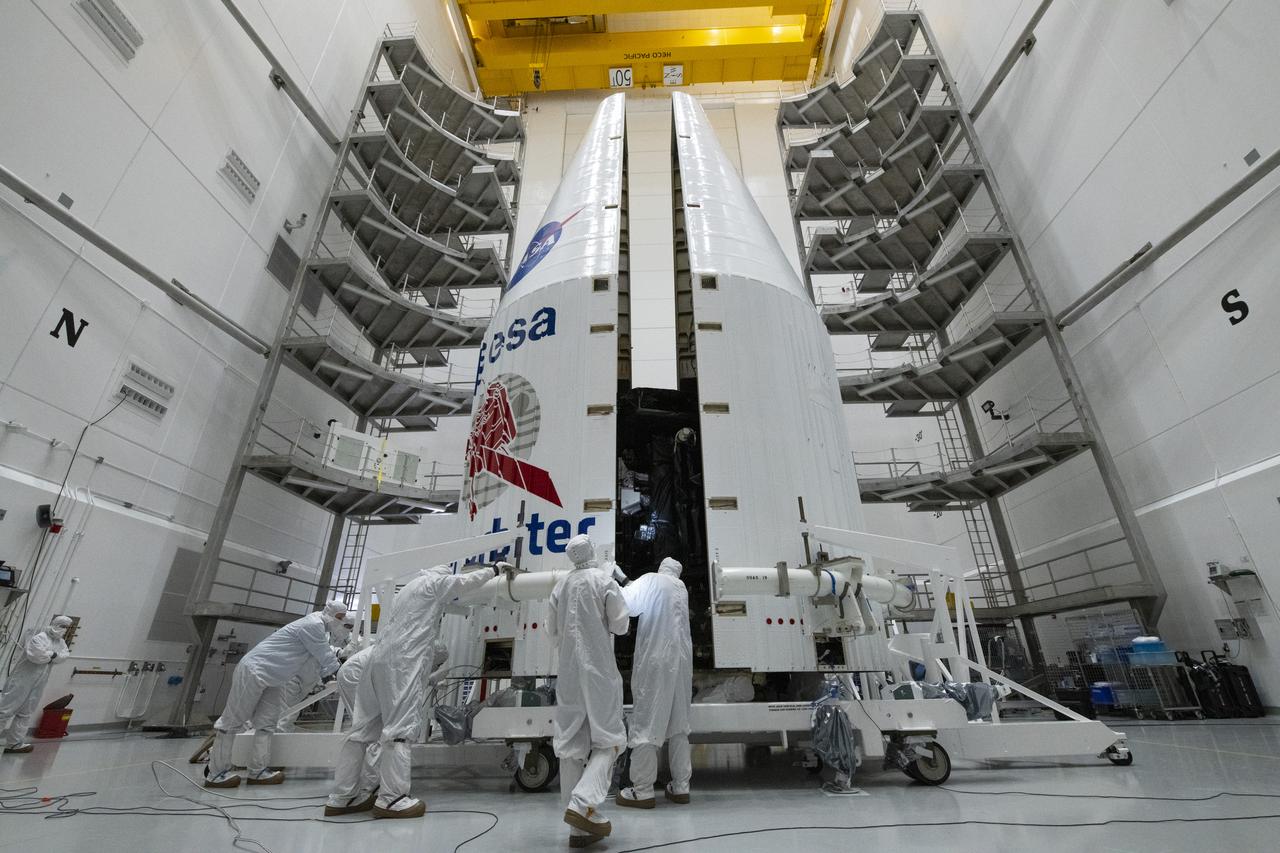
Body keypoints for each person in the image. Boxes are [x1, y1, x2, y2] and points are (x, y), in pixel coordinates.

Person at [326, 564, 496, 819]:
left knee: (361, 732)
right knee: (399, 731)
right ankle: (392, 799)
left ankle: (343, 797)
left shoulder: (406, 591)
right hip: (401, 663)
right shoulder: (432, 584)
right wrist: (494, 570)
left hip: (377, 661)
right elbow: (463, 583)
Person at [205, 600, 347, 788]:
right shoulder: (313, 624)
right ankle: (216, 773)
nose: (341, 622)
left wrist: (331, 674)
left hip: (276, 677)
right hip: (255, 669)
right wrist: (345, 674)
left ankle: (258, 771)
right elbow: (324, 655)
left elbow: (319, 658)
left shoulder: (321, 630)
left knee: (267, 723)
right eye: (339, 617)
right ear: (330, 613)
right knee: (233, 720)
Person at [549, 535, 630, 848]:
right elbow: (621, 625)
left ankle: (578, 831)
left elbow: (551, 632)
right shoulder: (603, 580)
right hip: (598, 671)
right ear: (592, 552)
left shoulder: (560, 586)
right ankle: (582, 804)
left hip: (568, 673)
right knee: (610, 740)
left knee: (571, 746)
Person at [616, 558, 693, 808]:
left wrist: (617, 579)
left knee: (647, 723)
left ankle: (642, 790)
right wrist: (627, 580)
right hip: (681, 664)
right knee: (679, 726)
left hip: (657, 661)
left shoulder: (652, 580)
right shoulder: (680, 588)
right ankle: (681, 787)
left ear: (661, 568)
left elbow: (628, 604)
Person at [0, 616, 72, 753]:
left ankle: (14, 744)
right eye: (62, 626)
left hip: (39, 683)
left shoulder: (61, 642)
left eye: (66, 628)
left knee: (26, 713)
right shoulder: (40, 637)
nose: (64, 630)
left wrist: (50, 655)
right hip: (21, 680)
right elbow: (36, 657)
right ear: (55, 624)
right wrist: (54, 656)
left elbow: (64, 656)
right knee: (5, 710)